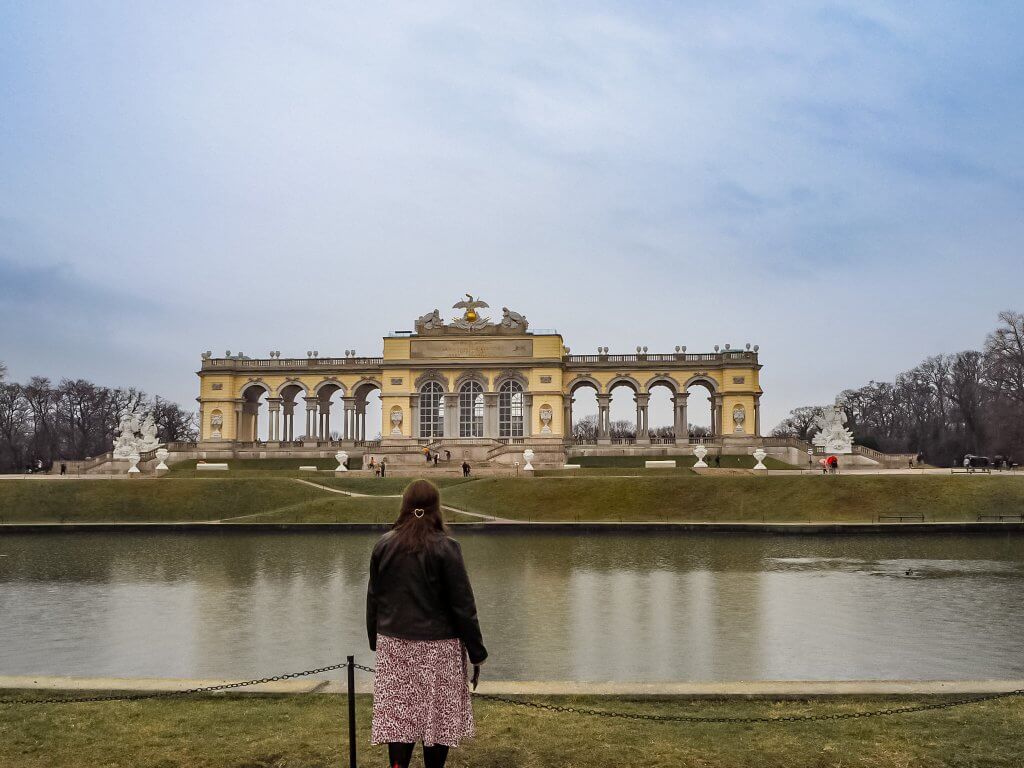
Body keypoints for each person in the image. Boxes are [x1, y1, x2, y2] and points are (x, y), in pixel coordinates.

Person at [366, 480, 486, 768]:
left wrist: (375, 640)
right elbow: (463, 605)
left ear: (405, 507)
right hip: (439, 647)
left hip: (395, 646)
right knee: (438, 717)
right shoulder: (447, 547)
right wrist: (477, 651)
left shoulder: (384, 544)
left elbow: (374, 598)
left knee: (399, 719)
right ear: (436, 509)